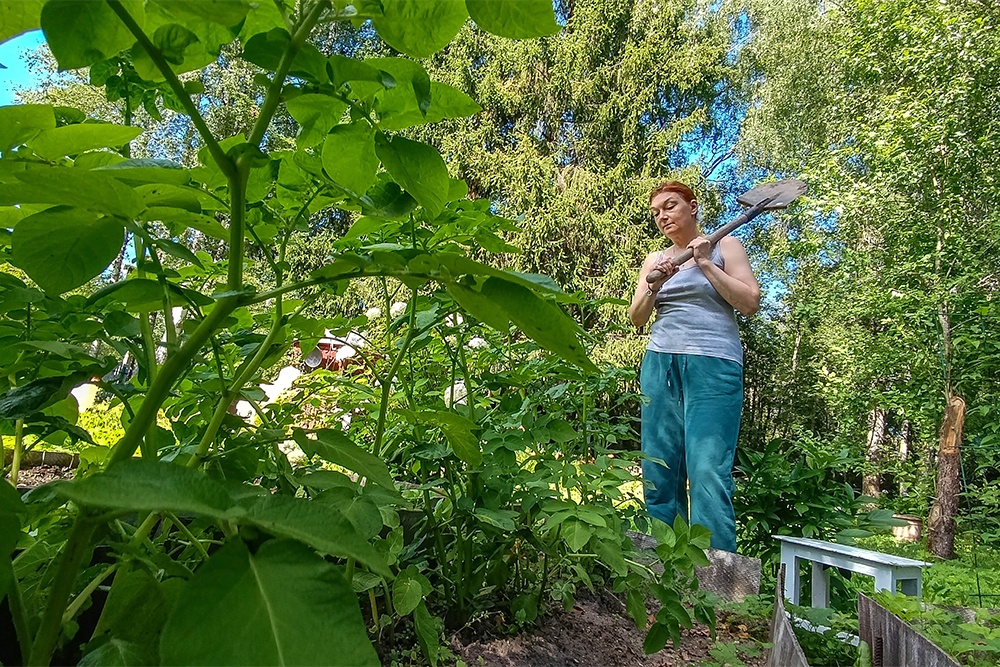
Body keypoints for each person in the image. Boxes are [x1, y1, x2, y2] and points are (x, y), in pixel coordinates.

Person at [628, 180, 760, 552]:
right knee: (659, 468)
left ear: (693, 206)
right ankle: (660, 562)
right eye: (655, 212)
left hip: (714, 363)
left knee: (707, 469)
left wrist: (703, 262)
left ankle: (717, 572)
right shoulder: (655, 260)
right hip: (660, 363)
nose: (662, 216)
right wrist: (655, 284)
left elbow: (749, 302)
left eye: (669, 206)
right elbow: (637, 318)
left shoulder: (725, 245)